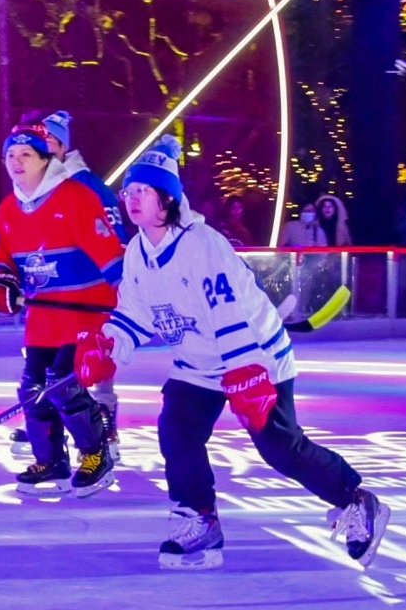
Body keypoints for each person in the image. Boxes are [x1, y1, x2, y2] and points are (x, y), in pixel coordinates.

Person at [75, 137, 388, 571]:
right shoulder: (138, 253)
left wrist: (246, 370)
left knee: (279, 447)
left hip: (255, 353)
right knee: (177, 429)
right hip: (199, 363)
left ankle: (354, 500)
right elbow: (136, 312)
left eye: (144, 190)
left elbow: (227, 311)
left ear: (168, 198)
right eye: (129, 191)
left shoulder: (202, 245)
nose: (132, 198)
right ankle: (198, 518)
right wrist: (110, 342)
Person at [0, 113, 123, 498]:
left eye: (26, 154)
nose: (17, 161)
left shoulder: (76, 197)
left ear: (46, 159)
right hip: (43, 316)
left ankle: (96, 455)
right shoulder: (8, 208)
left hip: (85, 310)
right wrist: (0, 279)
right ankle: (51, 460)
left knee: (63, 384)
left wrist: (128, 307)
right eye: (11, 155)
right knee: (33, 388)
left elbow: (110, 255)